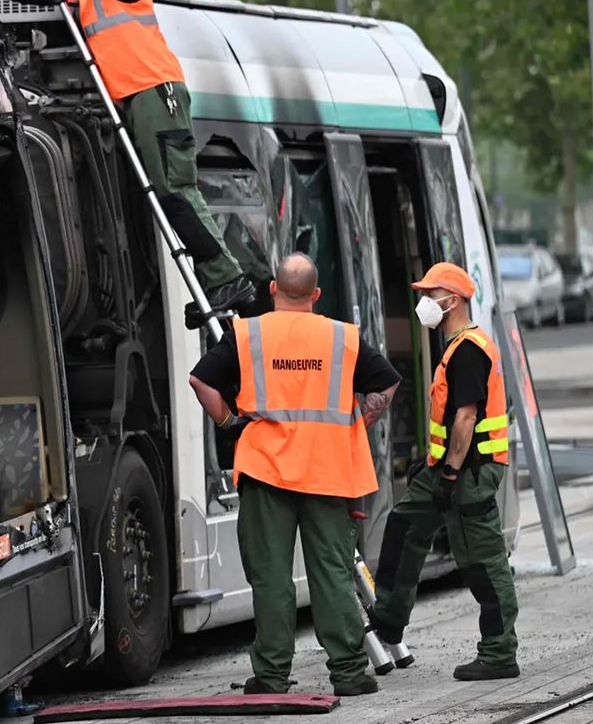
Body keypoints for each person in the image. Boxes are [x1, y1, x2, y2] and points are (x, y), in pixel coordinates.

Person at [0, 0, 257, 319]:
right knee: (167, 191)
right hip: (140, 94)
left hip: (156, 90)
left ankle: (226, 278)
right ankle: (221, 277)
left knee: (175, 191)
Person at [188, 253, 401, 696]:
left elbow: (201, 383)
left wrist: (230, 423)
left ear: (272, 290)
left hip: (266, 473)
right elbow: (387, 382)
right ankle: (347, 673)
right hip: (328, 474)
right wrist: (357, 424)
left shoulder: (248, 335)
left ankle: (271, 676)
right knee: (333, 573)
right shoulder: (342, 337)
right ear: (316, 295)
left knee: (271, 577)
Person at [367, 262, 521, 681]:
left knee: (481, 558)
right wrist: (434, 464)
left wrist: (450, 471)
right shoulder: (455, 347)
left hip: (472, 470)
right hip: (452, 466)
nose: (424, 302)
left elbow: (467, 417)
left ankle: (499, 652)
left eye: (431, 294)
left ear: (451, 300)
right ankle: (388, 619)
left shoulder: (469, 349)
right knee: (404, 523)